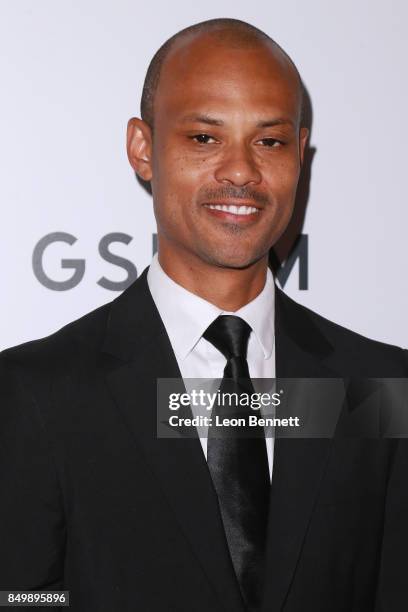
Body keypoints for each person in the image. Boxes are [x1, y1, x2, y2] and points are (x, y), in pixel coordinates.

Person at [0, 17, 407, 612]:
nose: (241, 172)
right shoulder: (37, 393)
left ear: (299, 154)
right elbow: (22, 599)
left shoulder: (377, 389)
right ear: (143, 148)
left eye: (268, 141)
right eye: (204, 138)